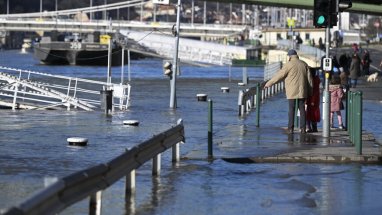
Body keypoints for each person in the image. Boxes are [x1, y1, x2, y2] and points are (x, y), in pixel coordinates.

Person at [264, 49, 313, 134]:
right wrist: (310, 92)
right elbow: (310, 80)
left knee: (291, 110)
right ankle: (303, 129)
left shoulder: (288, 65)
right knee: (302, 110)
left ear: (289, 57)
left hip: (291, 91)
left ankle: (290, 128)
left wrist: (269, 84)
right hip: (302, 90)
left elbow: (279, 75)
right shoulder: (304, 64)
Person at [306, 67, 321, 133]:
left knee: (308, 113)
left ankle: (308, 127)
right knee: (315, 113)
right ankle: (315, 127)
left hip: (310, 98)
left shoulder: (309, 80)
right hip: (316, 99)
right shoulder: (317, 80)